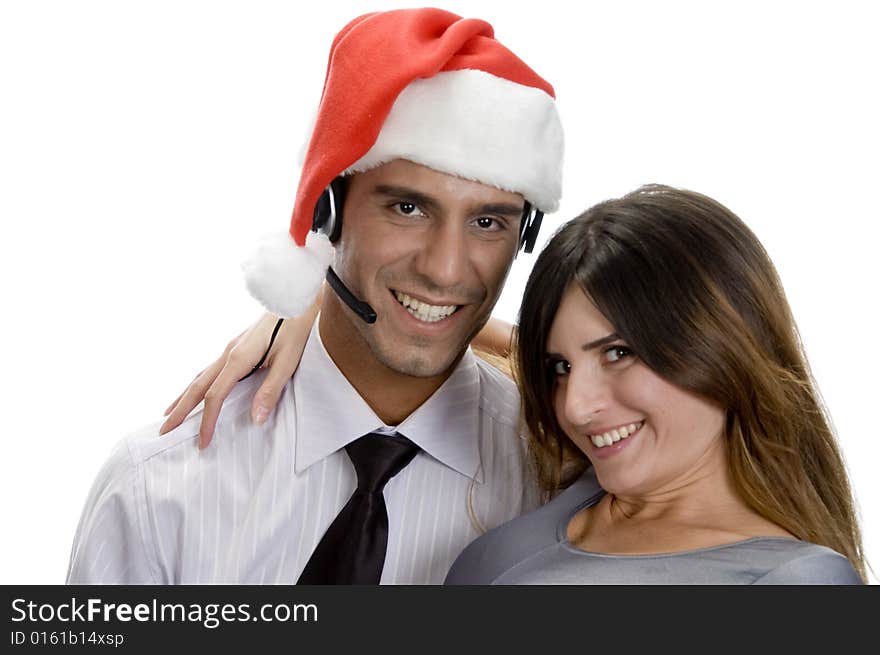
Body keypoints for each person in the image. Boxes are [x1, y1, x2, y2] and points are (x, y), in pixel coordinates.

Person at [66, 7, 564, 584]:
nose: (446, 270)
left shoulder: (570, 486)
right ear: (326, 209)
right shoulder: (157, 488)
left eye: (488, 223)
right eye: (408, 207)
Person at [444, 185, 865, 583]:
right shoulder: (572, 491)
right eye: (560, 367)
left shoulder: (796, 579)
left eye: (619, 353)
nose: (575, 407)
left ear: (723, 348)